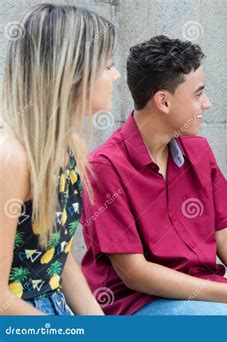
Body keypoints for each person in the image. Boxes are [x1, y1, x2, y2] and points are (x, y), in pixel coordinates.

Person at [80, 35, 227, 316]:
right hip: (139, 303)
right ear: (163, 102)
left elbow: (224, 234)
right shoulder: (105, 167)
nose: (207, 103)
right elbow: (134, 273)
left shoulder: (198, 151)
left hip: (208, 292)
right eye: (198, 94)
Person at [0, 3, 120, 315]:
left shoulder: (71, 148)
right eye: (108, 65)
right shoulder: (11, 158)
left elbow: (56, 257)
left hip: (52, 310)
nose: (117, 75)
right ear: (72, 75)